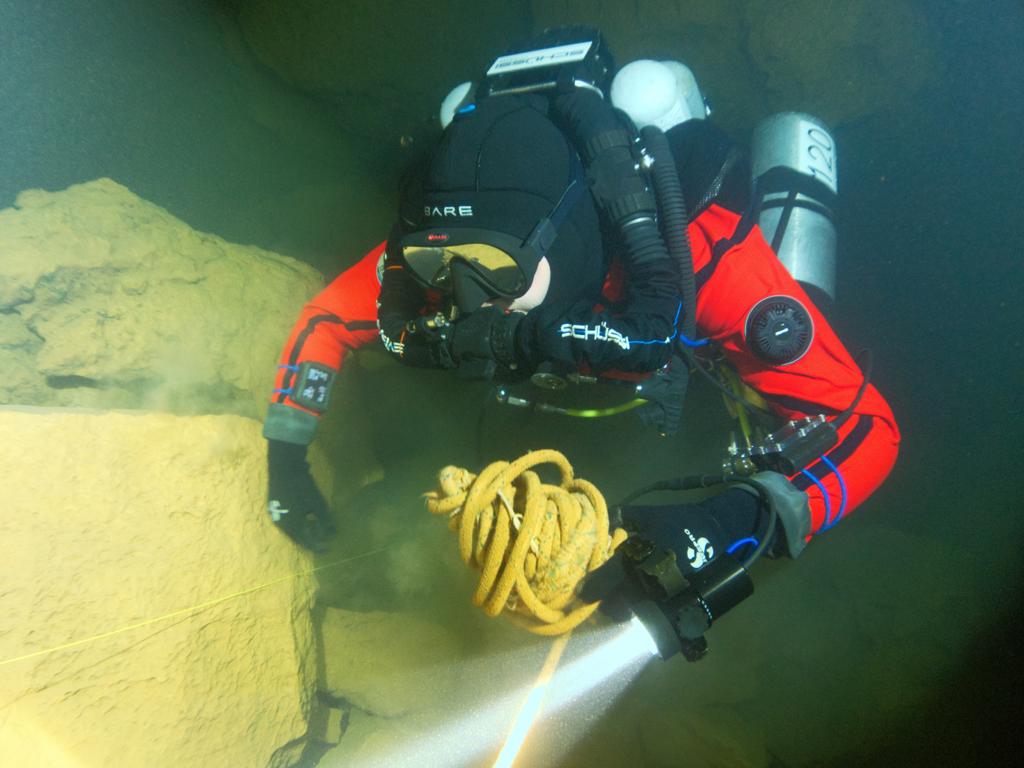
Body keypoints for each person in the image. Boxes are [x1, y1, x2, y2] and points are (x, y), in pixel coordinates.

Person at [262, 30, 899, 655]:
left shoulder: (701, 256)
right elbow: (328, 319)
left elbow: (869, 427)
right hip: (553, 393)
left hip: (665, 381)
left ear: (559, 244)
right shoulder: (453, 247)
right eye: (445, 266)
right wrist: (287, 450)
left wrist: (736, 518)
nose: (466, 299)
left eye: (497, 271)